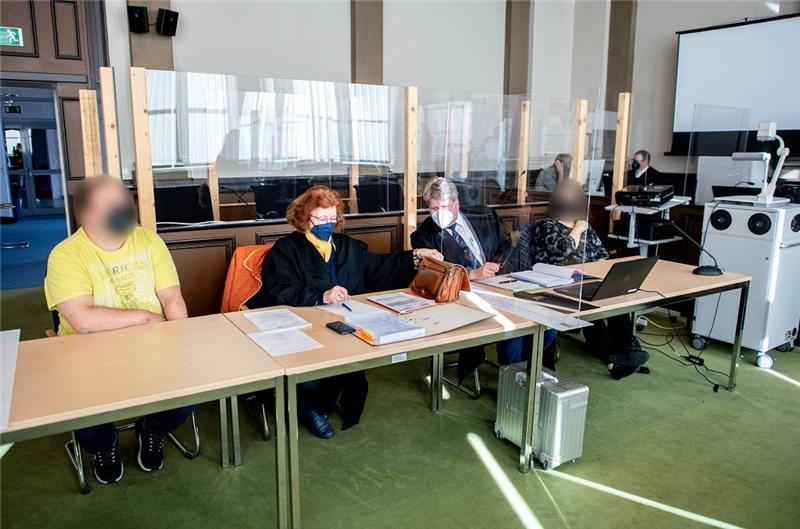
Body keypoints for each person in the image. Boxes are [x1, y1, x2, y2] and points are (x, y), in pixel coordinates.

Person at [250, 186, 442, 439]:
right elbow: (281, 289)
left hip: (344, 321)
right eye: (320, 219)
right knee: (313, 373)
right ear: (304, 218)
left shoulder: (347, 246)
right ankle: (312, 409)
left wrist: (415, 256)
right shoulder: (286, 249)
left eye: (332, 219)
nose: (327, 225)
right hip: (304, 324)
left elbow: (379, 265)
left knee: (349, 357)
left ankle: (323, 405)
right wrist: (321, 296)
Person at [44, 177, 195, 485]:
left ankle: (152, 429)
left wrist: (182, 344)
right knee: (83, 410)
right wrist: (145, 319)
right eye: (110, 206)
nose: (122, 210)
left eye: (124, 202)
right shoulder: (65, 255)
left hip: (153, 347)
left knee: (195, 388)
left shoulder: (149, 240)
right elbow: (82, 319)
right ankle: (104, 445)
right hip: (88, 355)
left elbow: (172, 298)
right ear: (85, 214)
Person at [518, 180, 649, 378]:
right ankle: (612, 360)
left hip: (588, 278)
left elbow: (602, 254)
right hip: (558, 282)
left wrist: (599, 262)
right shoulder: (547, 226)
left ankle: (627, 350)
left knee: (615, 296)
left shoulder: (582, 224)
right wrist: (577, 230)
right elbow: (563, 254)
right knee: (589, 310)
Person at [411, 177, 522, 381]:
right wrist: (472, 274)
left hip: (500, 283)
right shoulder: (423, 236)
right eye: (433, 209)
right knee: (512, 333)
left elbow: (507, 245)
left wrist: (496, 266)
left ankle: (531, 373)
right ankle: (512, 383)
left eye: (443, 206)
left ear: (456, 204)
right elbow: (435, 277)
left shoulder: (484, 215)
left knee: (544, 328)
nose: (438, 213)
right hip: (464, 295)